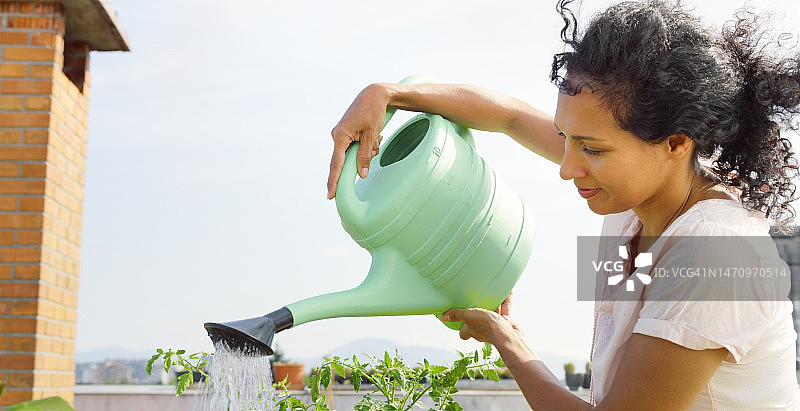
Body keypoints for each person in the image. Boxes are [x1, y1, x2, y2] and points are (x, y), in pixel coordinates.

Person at [326, 0, 800, 409]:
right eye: (566, 138)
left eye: (591, 148)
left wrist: (508, 343)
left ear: (676, 143)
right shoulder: (641, 193)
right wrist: (387, 94)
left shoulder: (716, 252)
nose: (567, 166)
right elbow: (510, 117)